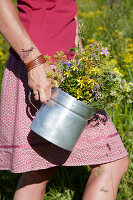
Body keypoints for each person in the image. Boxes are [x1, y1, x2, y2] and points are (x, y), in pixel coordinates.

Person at [0, 0, 129, 199]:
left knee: (39, 170)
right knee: (111, 162)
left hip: (65, 68)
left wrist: (80, 56)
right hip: (41, 68)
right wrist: (33, 62)